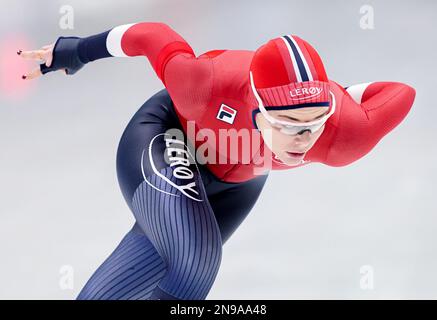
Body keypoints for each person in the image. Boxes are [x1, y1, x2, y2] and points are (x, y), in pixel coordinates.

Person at [19, 22, 416, 300]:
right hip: (168, 136)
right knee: (196, 260)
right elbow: (149, 35)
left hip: (241, 179)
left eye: (315, 123)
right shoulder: (202, 84)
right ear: (257, 109)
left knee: (142, 276)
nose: (304, 141)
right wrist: (76, 51)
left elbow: (401, 91)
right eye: (288, 124)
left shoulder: (344, 133)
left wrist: (339, 95)